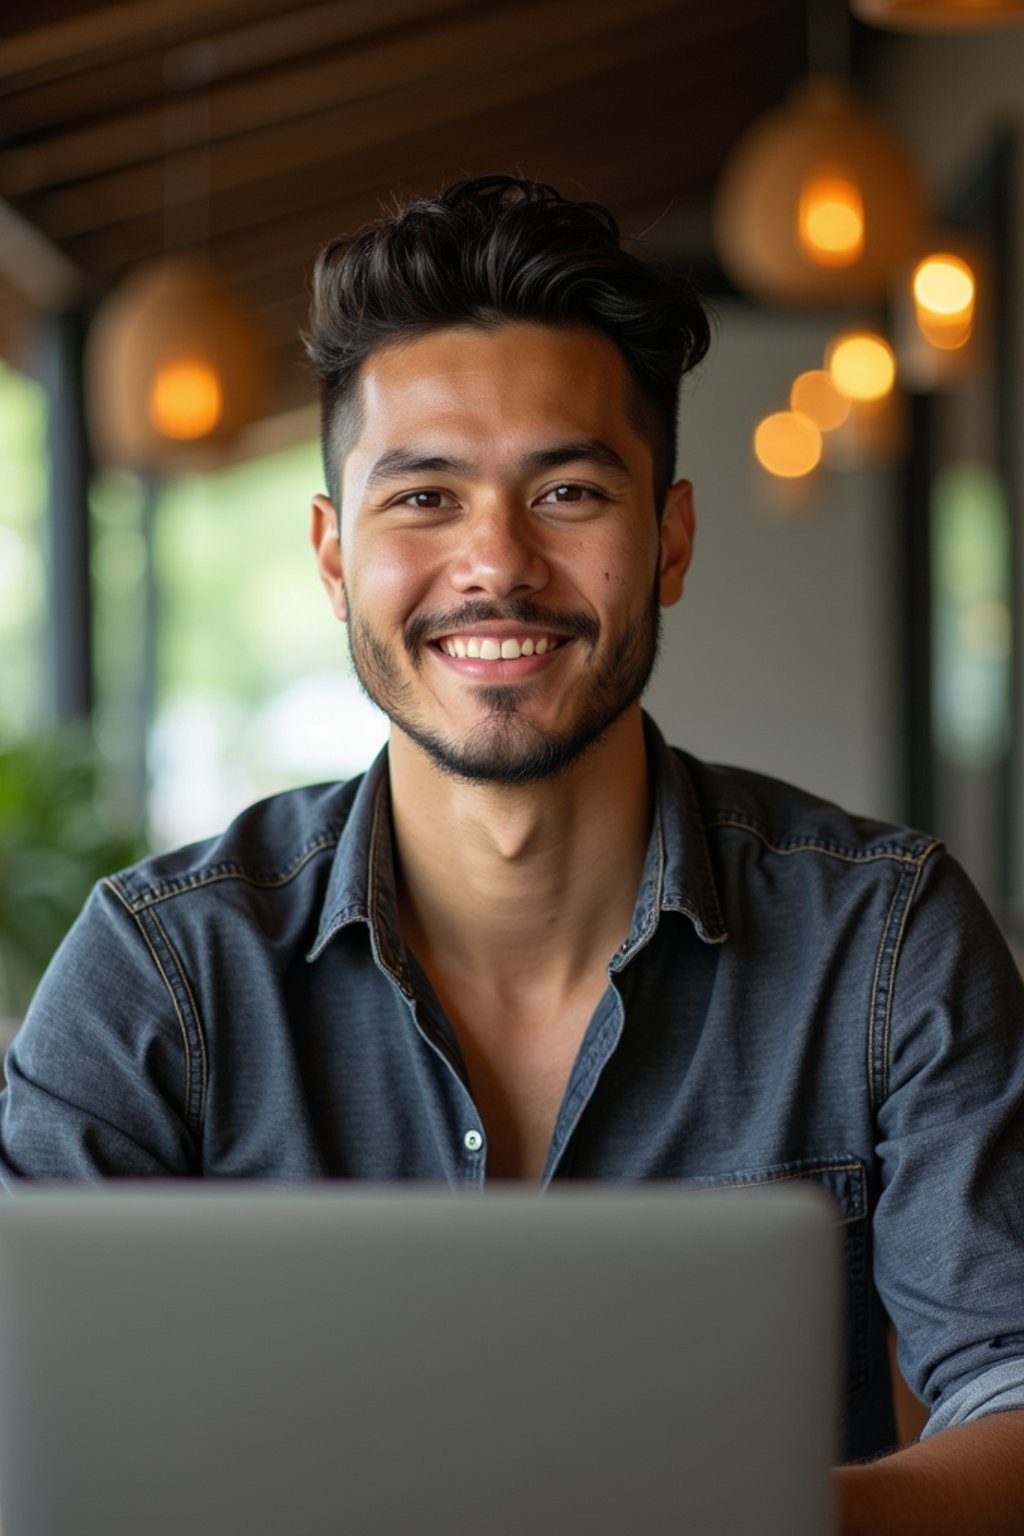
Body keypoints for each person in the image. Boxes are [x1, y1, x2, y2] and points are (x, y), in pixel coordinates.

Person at [2, 175, 1023, 1532]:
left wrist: (742, 1523)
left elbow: (1012, 1394)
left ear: (669, 540)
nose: (496, 562)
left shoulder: (884, 938)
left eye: (568, 489)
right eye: (423, 496)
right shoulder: (164, 968)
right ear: (331, 554)